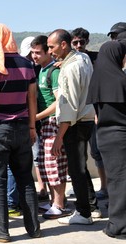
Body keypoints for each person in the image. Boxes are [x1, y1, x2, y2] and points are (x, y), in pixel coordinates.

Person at [0, 23, 40, 242]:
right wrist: (32, 127)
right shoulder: (26, 63)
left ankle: (0, 231)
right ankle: (34, 228)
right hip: (22, 127)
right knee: (25, 180)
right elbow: (32, 99)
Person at [47, 29, 95, 225]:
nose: (50, 51)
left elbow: (69, 107)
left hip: (75, 124)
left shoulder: (70, 68)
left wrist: (59, 137)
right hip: (86, 120)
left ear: (64, 45)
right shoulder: (83, 59)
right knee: (80, 168)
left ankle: (84, 213)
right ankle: (90, 206)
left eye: (52, 47)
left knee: (76, 169)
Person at [87, 40, 126, 239]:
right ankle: (119, 225)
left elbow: (96, 114)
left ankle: (117, 222)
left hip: (103, 136)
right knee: (122, 181)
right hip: (121, 136)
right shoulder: (121, 80)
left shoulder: (96, 80)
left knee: (116, 179)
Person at [30, 35, 69, 219]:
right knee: (47, 165)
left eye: (38, 52)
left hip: (53, 121)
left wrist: (35, 117)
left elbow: (57, 103)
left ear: (48, 52)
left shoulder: (53, 72)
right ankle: (54, 202)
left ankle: (59, 205)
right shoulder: (42, 70)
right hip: (45, 123)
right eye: (32, 52)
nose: (34, 56)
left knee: (55, 164)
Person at [71, 27, 108, 203]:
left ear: (87, 42)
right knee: (83, 156)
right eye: (75, 42)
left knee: (97, 152)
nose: (79, 45)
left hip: (95, 112)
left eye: (81, 42)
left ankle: (105, 187)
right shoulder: (70, 61)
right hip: (79, 114)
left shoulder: (97, 58)